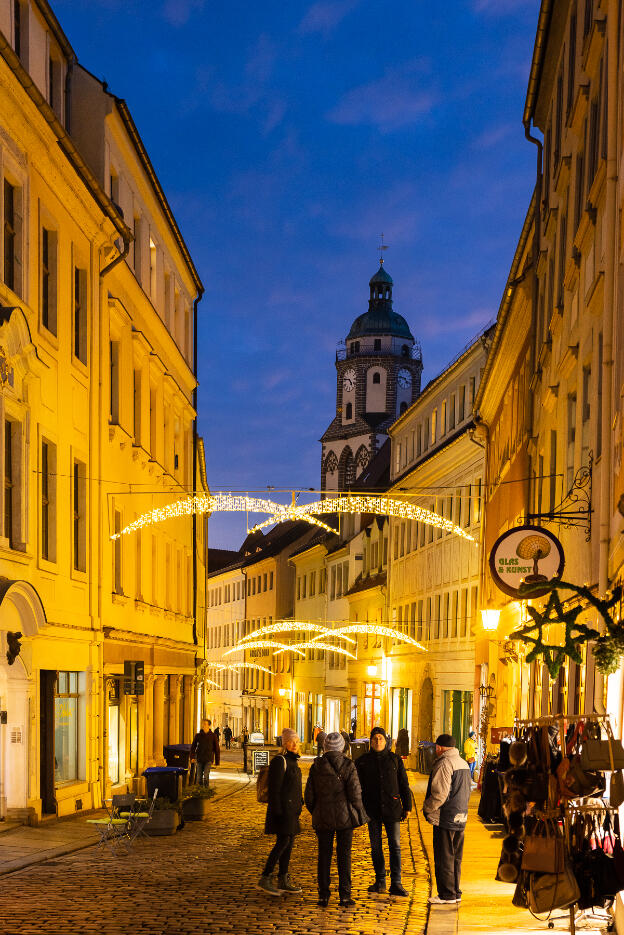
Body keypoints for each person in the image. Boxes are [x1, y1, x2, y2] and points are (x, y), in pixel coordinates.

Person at [305, 731, 368, 909]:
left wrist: (317, 810)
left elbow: (309, 796)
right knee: (344, 856)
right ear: (342, 747)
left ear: (325, 747)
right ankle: (345, 896)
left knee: (324, 856)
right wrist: (358, 810)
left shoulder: (316, 766)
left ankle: (323, 895)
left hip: (323, 816)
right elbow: (355, 793)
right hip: (345, 819)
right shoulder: (348, 765)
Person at [356, 727, 412, 897]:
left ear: (386, 740)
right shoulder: (363, 761)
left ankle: (396, 882)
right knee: (376, 847)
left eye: (380, 738)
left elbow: (403, 784)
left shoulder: (394, 760)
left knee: (395, 846)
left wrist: (407, 806)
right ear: (371, 742)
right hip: (372, 809)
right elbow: (357, 787)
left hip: (392, 808)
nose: (378, 741)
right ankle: (380, 880)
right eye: (375, 739)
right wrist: (359, 807)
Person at [422, 733, 471, 905]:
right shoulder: (463, 763)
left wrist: (427, 808)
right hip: (461, 816)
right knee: (456, 857)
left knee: (444, 857)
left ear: (439, 748)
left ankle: (446, 894)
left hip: (446, 816)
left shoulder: (445, 763)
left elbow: (440, 794)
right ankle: (455, 891)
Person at [257, 728, 303, 897]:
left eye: (297, 742)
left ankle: (283, 879)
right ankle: (265, 877)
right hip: (283, 811)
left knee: (288, 844)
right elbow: (276, 789)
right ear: (284, 743)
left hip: (292, 811)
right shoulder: (280, 761)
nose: (295, 745)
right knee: (282, 843)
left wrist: (300, 803)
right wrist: (278, 811)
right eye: (292, 742)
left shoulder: (293, 761)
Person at [190, 719, 220, 788]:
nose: (203, 725)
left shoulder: (213, 736)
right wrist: (192, 757)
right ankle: (199, 792)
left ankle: (206, 791)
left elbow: (216, 749)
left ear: (209, 726)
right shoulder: (198, 735)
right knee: (198, 778)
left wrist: (217, 761)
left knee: (206, 777)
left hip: (208, 759)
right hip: (199, 759)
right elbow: (193, 747)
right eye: (203, 724)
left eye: (205, 724)